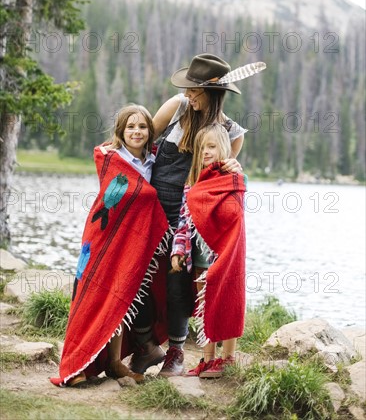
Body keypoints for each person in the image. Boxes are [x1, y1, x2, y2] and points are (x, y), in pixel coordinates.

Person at [129, 54, 250, 377]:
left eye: (194, 90)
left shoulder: (231, 133)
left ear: (211, 93)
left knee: (177, 283)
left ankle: (176, 353)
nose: (189, 95)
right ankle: (145, 345)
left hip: (187, 219)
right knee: (134, 275)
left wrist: (235, 168)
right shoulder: (177, 107)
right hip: (149, 209)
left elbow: (215, 182)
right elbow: (139, 144)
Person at [50, 105, 169, 387]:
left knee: (121, 297)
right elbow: (121, 195)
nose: (136, 132)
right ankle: (76, 363)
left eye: (142, 127)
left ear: (150, 132)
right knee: (91, 299)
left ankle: (115, 363)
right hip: (103, 239)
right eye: (130, 127)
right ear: (120, 131)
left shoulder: (154, 161)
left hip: (133, 244)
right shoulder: (111, 158)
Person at [170, 123, 246, 378]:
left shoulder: (233, 178)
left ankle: (227, 359)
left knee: (228, 302)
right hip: (199, 257)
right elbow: (183, 219)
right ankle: (207, 359)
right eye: (201, 148)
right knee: (205, 304)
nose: (206, 152)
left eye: (212, 146)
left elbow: (236, 217)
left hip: (224, 255)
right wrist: (177, 251)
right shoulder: (193, 182)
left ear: (223, 147)